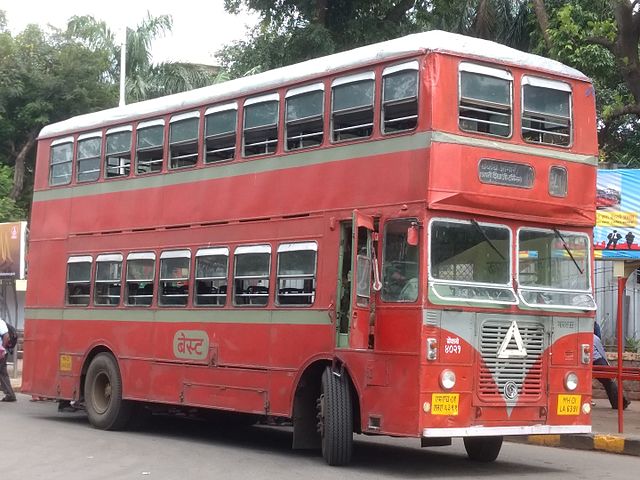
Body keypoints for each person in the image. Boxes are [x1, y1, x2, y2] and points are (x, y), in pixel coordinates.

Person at [593, 330, 629, 410]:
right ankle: (621, 402)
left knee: (608, 382)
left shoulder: (586, 338)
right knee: (608, 382)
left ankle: (621, 402)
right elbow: (601, 352)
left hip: (592, 362)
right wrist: (607, 364)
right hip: (599, 362)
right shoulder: (595, 338)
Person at [0, 318, 17, 402]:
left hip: (1, 353)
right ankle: (10, 395)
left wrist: (2, 349)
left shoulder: (0, 323)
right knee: (3, 374)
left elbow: (6, 336)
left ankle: (10, 395)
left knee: (3, 374)